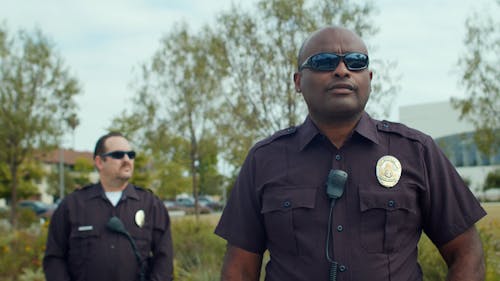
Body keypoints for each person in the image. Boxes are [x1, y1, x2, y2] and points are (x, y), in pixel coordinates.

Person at [215, 26, 486, 281]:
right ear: (298, 81)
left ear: (369, 78)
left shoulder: (417, 151)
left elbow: (466, 252)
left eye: (356, 62)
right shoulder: (264, 159)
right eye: (324, 61)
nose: (342, 70)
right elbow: (239, 268)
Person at [43, 132, 174, 281]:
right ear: (99, 162)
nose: (127, 160)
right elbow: (54, 258)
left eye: (130, 155)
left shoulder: (150, 205)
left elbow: (164, 259)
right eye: (118, 155)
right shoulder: (73, 206)